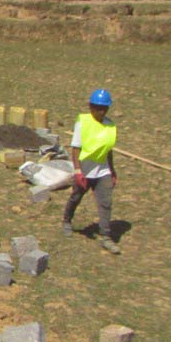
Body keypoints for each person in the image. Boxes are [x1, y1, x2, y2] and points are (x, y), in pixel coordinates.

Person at [63, 89, 120, 254]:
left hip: (102, 170)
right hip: (84, 169)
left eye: (103, 108)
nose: (100, 111)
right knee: (76, 196)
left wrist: (112, 170)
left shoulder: (110, 125)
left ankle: (106, 236)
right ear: (90, 107)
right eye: (96, 107)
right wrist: (78, 171)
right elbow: (75, 148)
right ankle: (67, 221)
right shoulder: (83, 122)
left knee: (105, 202)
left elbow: (109, 150)